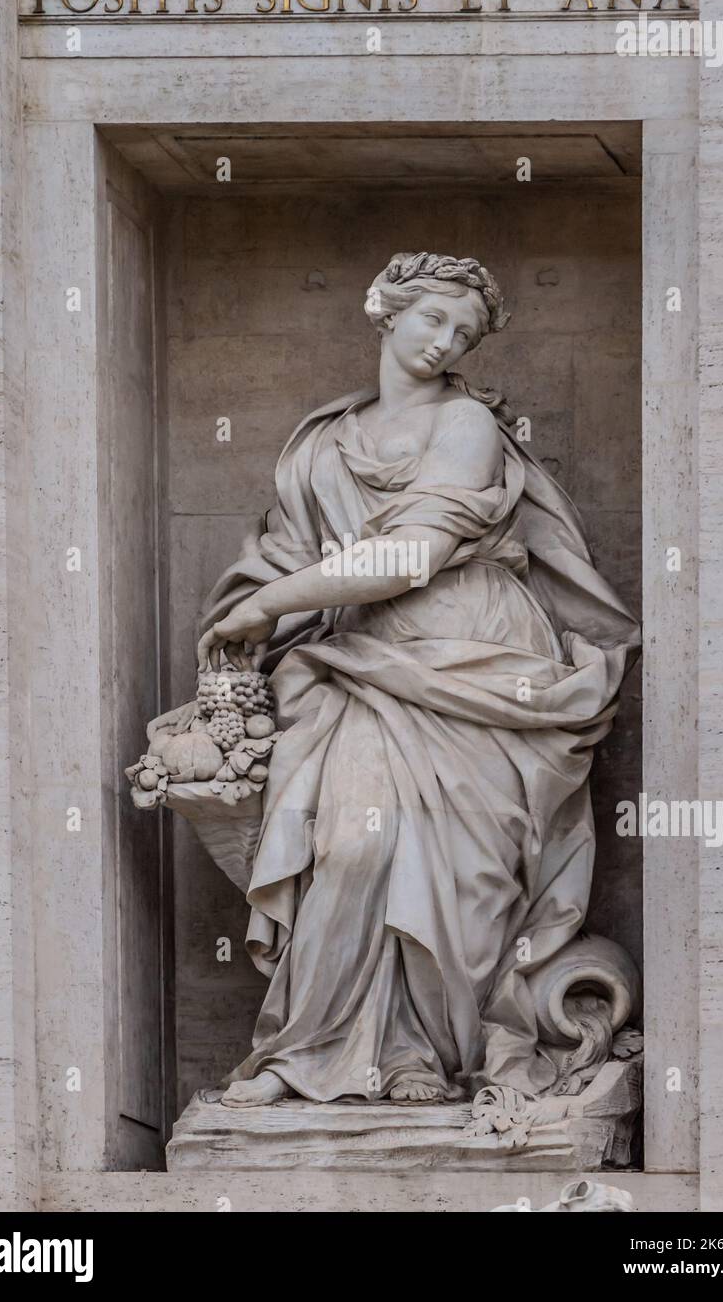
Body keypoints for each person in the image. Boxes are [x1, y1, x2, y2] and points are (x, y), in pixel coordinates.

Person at [195, 251, 640, 1107]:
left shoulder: (466, 425)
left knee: (458, 873)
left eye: (464, 332)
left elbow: (414, 554)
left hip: (476, 660)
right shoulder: (321, 444)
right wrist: (256, 619)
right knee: (354, 847)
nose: (445, 341)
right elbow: (284, 556)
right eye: (433, 318)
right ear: (385, 309)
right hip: (360, 665)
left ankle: (422, 1059)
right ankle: (308, 1052)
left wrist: (277, 600)